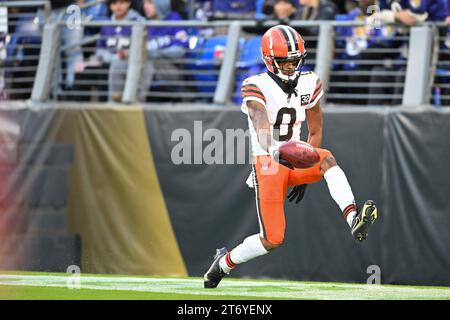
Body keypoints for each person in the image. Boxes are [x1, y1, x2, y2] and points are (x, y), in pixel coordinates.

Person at [203, 25, 379, 288]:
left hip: (294, 155)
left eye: (295, 60)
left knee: (327, 159)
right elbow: (261, 126)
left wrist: (305, 170)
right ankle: (224, 263)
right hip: (268, 161)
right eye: (285, 62)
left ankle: (353, 218)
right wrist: (277, 151)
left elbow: (316, 128)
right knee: (272, 239)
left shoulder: (310, 81)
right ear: (269, 60)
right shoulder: (255, 84)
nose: (291, 66)